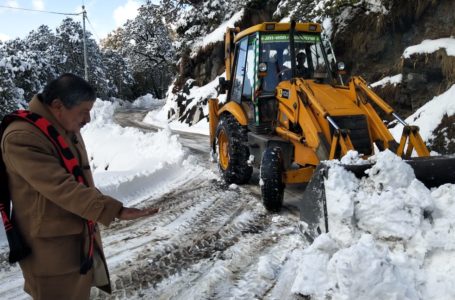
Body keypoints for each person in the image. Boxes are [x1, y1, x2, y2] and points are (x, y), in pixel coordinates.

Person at [0, 73, 159, 299]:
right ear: (57, 106)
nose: (88, 119)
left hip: (74, 242)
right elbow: (63, 187)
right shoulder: (23, 136)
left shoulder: (61, 127)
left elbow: (79, 180)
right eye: (84, 111)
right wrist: (115, 210)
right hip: (50, 253)